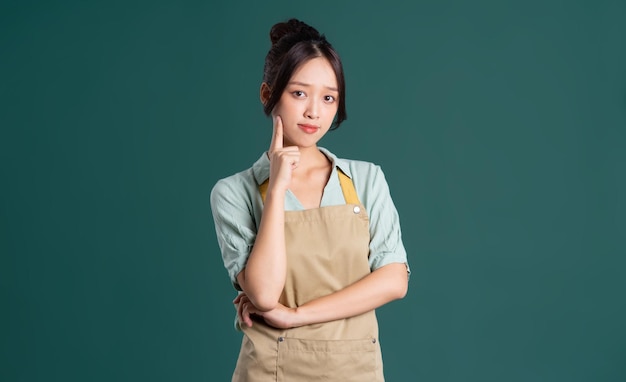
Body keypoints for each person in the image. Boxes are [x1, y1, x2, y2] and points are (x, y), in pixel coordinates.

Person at [210, 18, 410, 382]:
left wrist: (297, 315)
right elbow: (266, 294)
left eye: (328, 97)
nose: (314, 112)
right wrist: (277, 188)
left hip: (357, 370)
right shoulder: (233, 192)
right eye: (299, 93)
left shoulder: (366, 180)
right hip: (270, 370)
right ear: (268, 94)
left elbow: (395, 280)